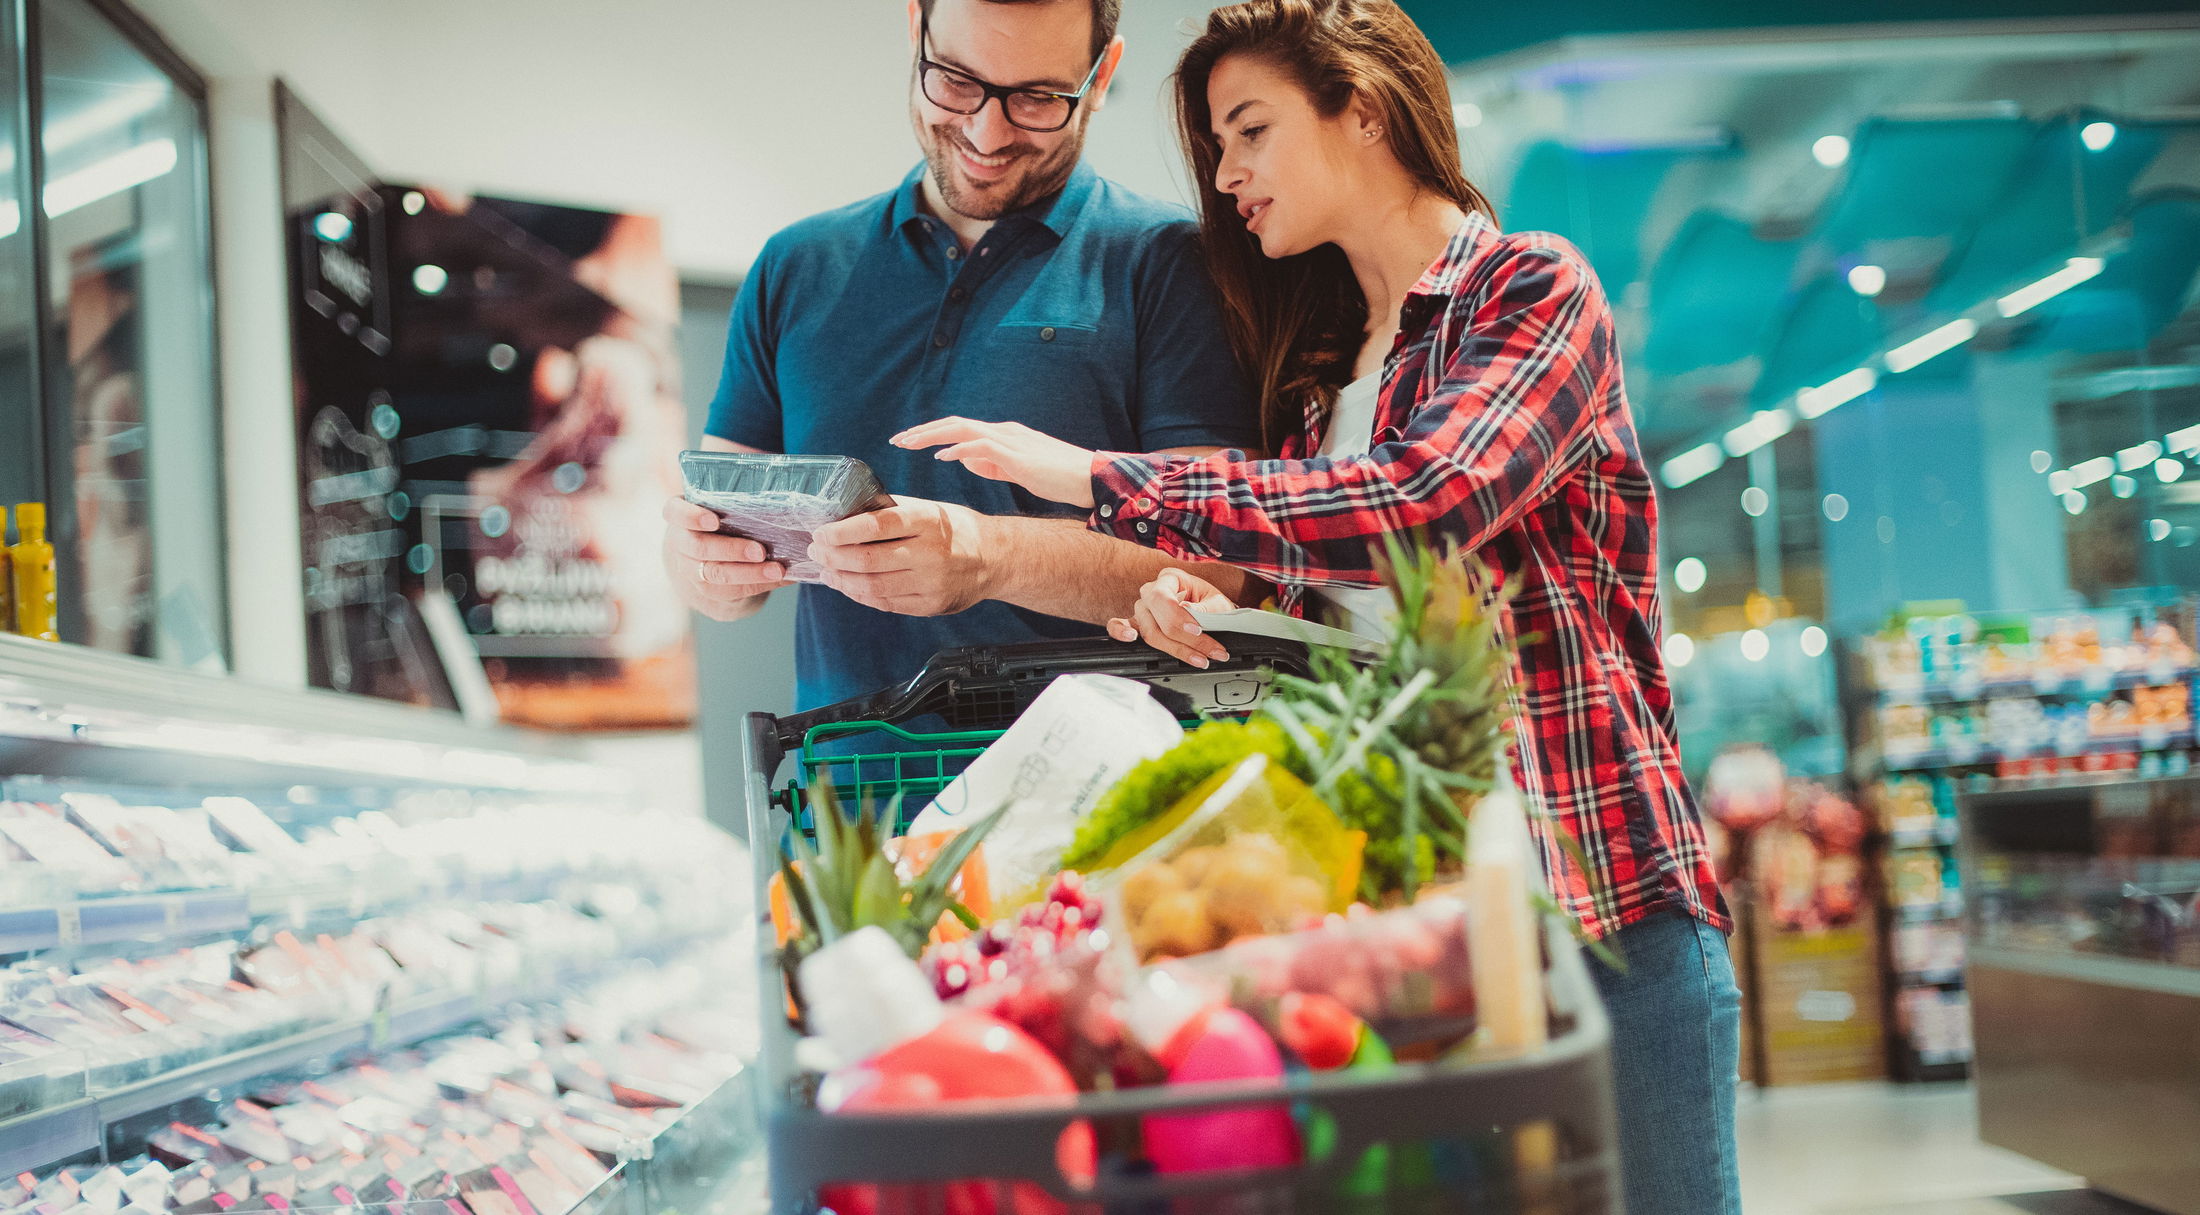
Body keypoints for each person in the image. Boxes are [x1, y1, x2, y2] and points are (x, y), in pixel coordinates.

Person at [896, 1, 1742, 1211]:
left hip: (1600, 914)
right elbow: (1326, 627)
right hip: (1414, 945)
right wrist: (1195, 610)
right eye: (1217, 147)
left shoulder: (1529, 291)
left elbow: (1426, 501)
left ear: (1365, 106)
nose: (1227, 176)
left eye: (1249, 131)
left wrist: (1093, 477)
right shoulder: (1321, 390)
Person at [665, 0, 1262, 712]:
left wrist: (988, 556)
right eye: (954, 79)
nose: (987, 131)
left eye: (1038, 97)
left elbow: (1222, 569)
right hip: (846, 799)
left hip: (1098, 805)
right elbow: (716, 545)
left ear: (1102, 76)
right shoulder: (794, 266)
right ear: (915, 30)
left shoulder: (1174, 264)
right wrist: (701, 565)